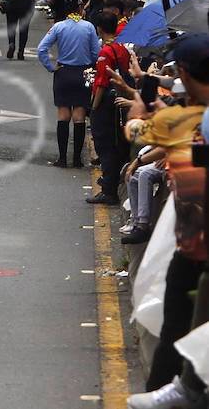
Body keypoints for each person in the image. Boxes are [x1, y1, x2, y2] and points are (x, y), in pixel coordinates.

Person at [124, 35, 209, 406]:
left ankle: (180, 388)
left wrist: (139, 111)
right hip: (193, 240)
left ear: (186, 74)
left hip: (194, 243)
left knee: (178, 323)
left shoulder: (181, 119)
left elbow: (133, 132)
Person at [37, 0, 101, 167]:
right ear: (79, 8)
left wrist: (51, 67)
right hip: (85, 72)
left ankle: (62, 158)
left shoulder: (58, 27)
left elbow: (41, 49)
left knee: (63, 115)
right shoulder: (89, 27)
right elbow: (97, 53)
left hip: (63, 72)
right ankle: (77, 160)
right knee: (80, 116)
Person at [85, 13, 130, 205]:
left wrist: (94, 109)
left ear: (99, 29)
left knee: (105, 146)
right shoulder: (122, 48)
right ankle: (112, 182)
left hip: (106, 106)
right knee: (116, 144)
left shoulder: (105, 52)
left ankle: (108, 189)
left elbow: (102, 83)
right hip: (120, 102)